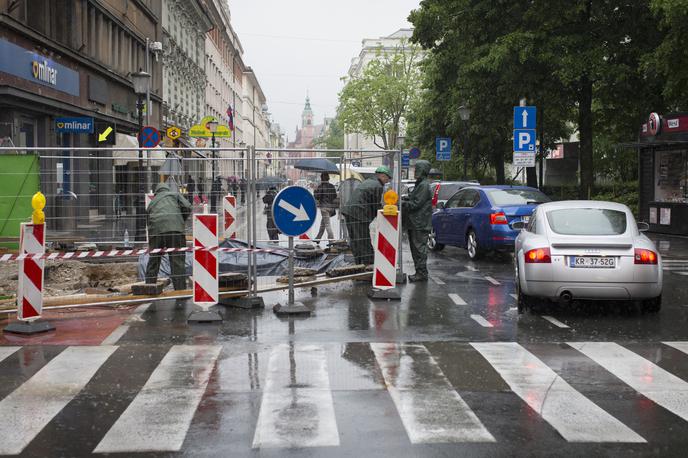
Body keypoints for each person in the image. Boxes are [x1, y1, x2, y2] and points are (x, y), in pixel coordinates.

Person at [145, 181, 192, 290]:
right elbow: (187, 207)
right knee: (177, 261)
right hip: (175, 231)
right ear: (167, 189)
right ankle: (180, 290)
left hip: (156, 232)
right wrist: (180, 220)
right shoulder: (174, 194)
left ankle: (148, 288)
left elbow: (148, 222)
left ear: (156, 193)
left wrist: (153, 238)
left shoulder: (152, 202)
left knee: (154, 260)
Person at [341, 166, 392, 265]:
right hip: (358, 214)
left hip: (349, 211)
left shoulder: (368, 181)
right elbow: (375, 204)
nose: (387, 181)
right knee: (363, 239)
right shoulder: (377, 186)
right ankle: (369, 264)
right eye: (387, 178)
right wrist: (383, 213)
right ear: (382, 176)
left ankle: (358, 262)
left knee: (355, 239)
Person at [402, 160, 433, 282]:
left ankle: (421, 273)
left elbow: (416, 204)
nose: (415, 172)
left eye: (417, 169)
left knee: (419, 249)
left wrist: (403, 204)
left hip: (419, 223)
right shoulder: (420, 184)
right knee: (416, 249)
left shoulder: (424, 185)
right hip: (415, 222)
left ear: (423, 170)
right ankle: (419, 272)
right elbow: (415, 199)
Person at [314, 173, 338, 243]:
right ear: (328, 178)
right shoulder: (332, 186)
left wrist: (315, 191)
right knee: (323, 224)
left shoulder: (321, 186)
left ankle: (331, 241)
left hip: (324, 208)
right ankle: (318, 238)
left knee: (327, 225)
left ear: (321, 179)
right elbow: (335, 196)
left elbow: (317, 197)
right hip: (331, 208)